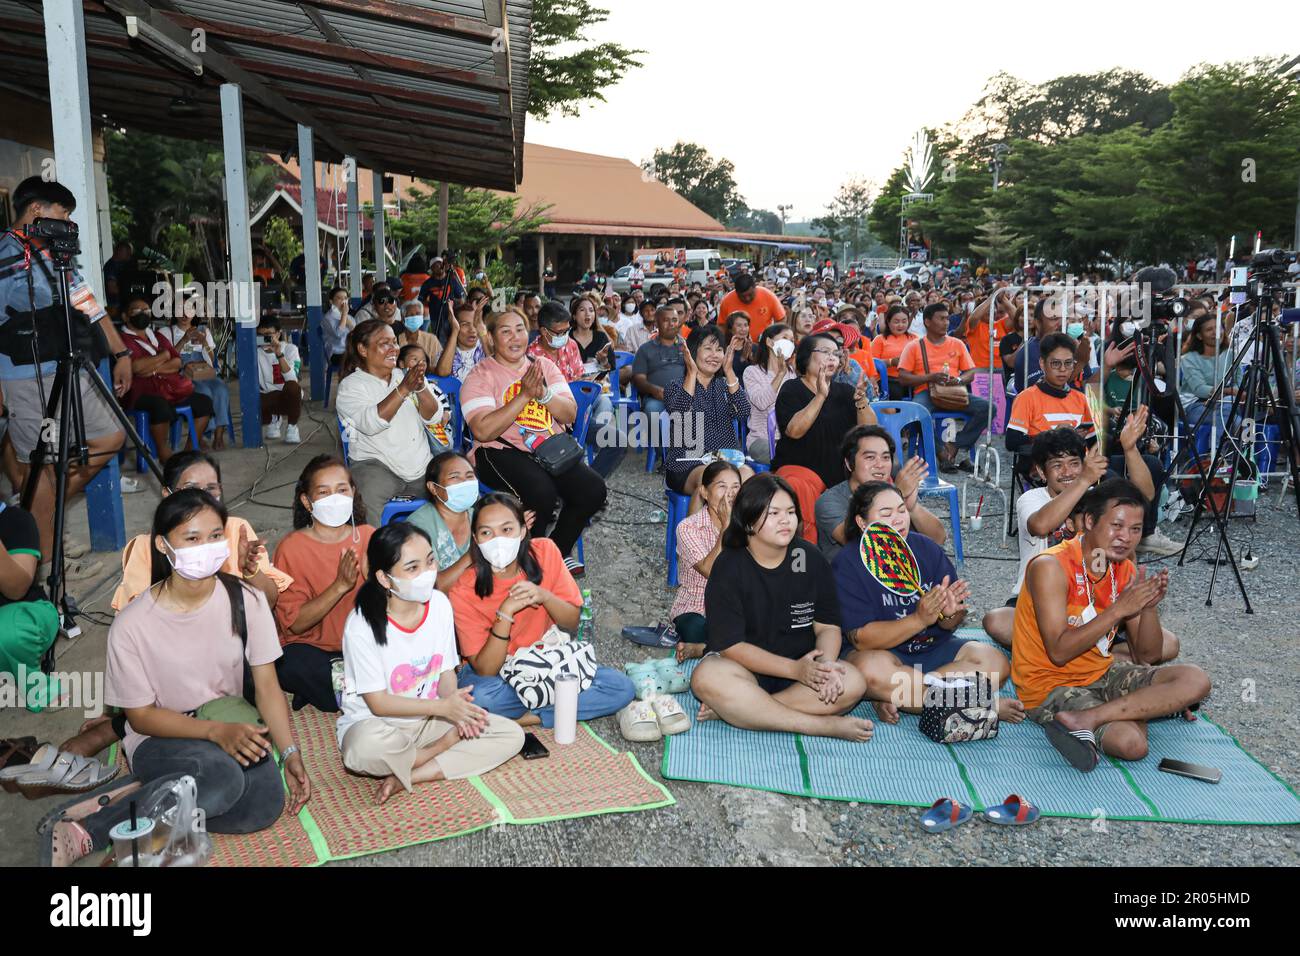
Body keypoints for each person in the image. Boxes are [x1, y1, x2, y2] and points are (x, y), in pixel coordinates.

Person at [61, 490, 310, 867]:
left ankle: (149, 797)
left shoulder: (247, 600)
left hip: (226, 718)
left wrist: (290, 751)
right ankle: (102, 831)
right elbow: (140, 716)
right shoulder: (132, 624)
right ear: (163, 545)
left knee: (264, 805)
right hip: (160, 734)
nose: (206, 547)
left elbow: (267, 686)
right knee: (223, 780)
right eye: (191, 538)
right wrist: (213, 733)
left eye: (214, 536)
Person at [1013, 479, 1210, 770]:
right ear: (1090, 521)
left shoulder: (1124, 568)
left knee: (1195, 679)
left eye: (1135, 529)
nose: (1125, 538)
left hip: (1101, 671)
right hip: (1048, 685)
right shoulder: (1050, 567)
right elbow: (1058, 651)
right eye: (1116, 526)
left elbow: (1147, 657)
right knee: (1132, 745)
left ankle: (1089, 719)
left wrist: (1149, 607)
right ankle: (1139, 707)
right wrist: (1119, 610)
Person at [338, 522, 523, 805]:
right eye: (412, 568)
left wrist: (456, 707)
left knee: (511, 736)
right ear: (385, 579)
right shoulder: (360, 625)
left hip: (429, 720)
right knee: (360, 750)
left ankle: (413, 774)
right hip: (378, 725)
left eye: (430, 561)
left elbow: (445, 673)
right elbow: (378, 704)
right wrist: (445, 719)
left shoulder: (438, 605)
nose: (427, 573)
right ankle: (437, 750)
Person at [0, 178, 131, 558]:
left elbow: (88, 302)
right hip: (25, 377)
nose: (68, 221)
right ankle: (44, 563)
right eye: (64, 212)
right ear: (37, 210)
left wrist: (121, 353)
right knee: (41, 465)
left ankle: (37, 512)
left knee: (111, 435)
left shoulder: (57, 254)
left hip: (70, 368)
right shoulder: (5, 255)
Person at [688, 473, 873, 741]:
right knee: (706, 677)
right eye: (773, 513)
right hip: (746, 671)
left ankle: (745, 709)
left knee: (853, 682)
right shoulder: (729, 566)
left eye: (790, 511)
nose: (786, 520)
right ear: (749, 521)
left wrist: (828, 666)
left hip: (802, 674)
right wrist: (793, 669)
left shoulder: (809, 558)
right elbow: (732, 647)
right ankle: (817, 725)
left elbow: (827, 626)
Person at [835, 482, 1025, 724]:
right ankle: (978, 705)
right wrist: (918, 619)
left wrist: (948, 615)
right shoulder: (849, 563)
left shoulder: (925, 549)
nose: (898, 519)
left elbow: (950, 624)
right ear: (862, 523)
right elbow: (861, 639)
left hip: (932, 652)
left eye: (902, 510)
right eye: (886, 514)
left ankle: (899, 695)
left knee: (995, 664)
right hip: (882, 655)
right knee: (868, 673)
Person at [449, 493, 634, 725]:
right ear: (475, 539)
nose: (498, 540)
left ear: (523, 530)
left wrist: (545, 597)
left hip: (545, 660)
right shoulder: (463, 590)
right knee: (481, 699)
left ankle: (529, 717)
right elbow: (486, 669)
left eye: (507, 530)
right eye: (487, 533)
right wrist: (505, 614)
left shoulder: (545, 552)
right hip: (496, 674)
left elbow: (574, 621)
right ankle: (554, 705)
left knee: (620, 687)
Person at [1007, 332, 1178, 556]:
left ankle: (1146, 532)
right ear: (1042, 363)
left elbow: (1093, 441)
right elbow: (1012, 441)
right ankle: (1118, 532)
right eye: (1055, 363)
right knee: (1115, 481)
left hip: (1086, 462)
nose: (1062, 369)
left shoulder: (1079, 398)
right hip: (1049, 463)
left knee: (1151, 464)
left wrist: (1128, 443)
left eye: (1068, 364)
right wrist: (1056, 436)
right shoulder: (1027, 397)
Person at [461, 309, 606, 570]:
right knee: (541, 494)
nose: (515, 337)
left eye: (519, 330)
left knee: (593, 490)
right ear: (492, 339)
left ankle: (551, 555)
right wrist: (524, 396)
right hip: (498, 451)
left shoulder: (544, 367)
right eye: (505, 331)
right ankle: (525, 563)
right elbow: (483, 431)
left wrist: (544, 394)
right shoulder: (480, 375)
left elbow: (570, 413)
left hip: (549, 449)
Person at [112, 450, 290, 612]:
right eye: (191, 488)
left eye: (211, 488)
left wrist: (251, 571)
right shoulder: (145, 547)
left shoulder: (237, 531)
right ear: (168, 494)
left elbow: (269, 601)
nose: (203, 496)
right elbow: (135, 619)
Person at [273, 456, 375, 712]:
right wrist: (340, 586)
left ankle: (341, 688)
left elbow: (392, 609)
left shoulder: (368, 536)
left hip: (361, 644)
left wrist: (376, 581)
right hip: (313, 649)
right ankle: (350, 690)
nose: (335, 498)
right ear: (307, 502)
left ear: (353, 493)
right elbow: (295, 625)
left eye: (342, 490)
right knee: (291, 665)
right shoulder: (292, 547)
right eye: (323, 492)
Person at [772, 333, 876, 542]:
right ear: (806, 357)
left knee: (882, 471)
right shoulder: (792, 389)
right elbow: (794, 431)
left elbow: (870, 432)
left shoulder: (846, 390)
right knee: (797, 485)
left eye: (836, 354)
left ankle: (877, 546)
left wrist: (861, 401)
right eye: (825, 352)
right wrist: (820, 396)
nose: (832, 358)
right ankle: (808, 555)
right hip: (802, 469)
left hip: (842, 471)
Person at [335, 318, 439, 524]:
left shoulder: (405, 376)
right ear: (363, 350)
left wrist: (420, 388)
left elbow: (433, 417)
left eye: (394, 342)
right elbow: (371, 423)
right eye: (385, 344)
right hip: (375, 465)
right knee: (365, 499)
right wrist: (404, 389)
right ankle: (370, 552)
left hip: (420, 464)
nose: (394, 349)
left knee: (455, 486)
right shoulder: (351, 386)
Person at [814, 425, 945, 562]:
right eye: (870, 457)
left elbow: (938, 539)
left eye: (886, 457)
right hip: (852, 577)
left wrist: (912, 508)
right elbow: (857, 543)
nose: (880, 464)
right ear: (849, 463)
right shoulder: (829, 501)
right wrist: (897, 493)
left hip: (895, 573)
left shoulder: (894, 492)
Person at [663, 324, 753, 502]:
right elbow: (679, 413)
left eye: (719, 349)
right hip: (687, 463)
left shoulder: (724, 385)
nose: (714, 355)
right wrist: (691, 373)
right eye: (708, 349)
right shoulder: (675, 386)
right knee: (716, 479)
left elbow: (743, 411)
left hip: (727, 461)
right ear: (693, 351)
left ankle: (736, 529)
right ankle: (698, 530)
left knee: (748, 475)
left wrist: (728, 370)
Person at [896, 302, 988, 472]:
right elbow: (902, 378)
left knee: (988, 408)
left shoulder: (957, 343)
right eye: (941, 318)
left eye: (947, 318)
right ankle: (941, 453)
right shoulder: (914, 346)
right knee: (917, 413)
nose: (946, 322)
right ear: (927, 322)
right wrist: (930, 377)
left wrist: (959, 380)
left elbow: (971, 372)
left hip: (954, 391)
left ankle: (954, 446)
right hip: (926, 391)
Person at [120, 297, 214, 462]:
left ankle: (188, 453)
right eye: (137, 311)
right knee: (159, 406)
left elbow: (177, 362)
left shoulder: (156, 336)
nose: (143, 314)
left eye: (147, 311)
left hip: (169, 388)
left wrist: (152, 369)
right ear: (125, 317)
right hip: (139, 392)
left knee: (204, 402)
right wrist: (163, 355)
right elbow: (135, 368)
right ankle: (165, 455)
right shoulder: (123, 340)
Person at [668, 461, 740, 663]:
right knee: (699, 629)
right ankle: (718, 649)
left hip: (736, 604)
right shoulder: (689, 528)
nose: (730, 494)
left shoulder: (748, 525)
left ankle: (702, 650)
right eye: (722, 486)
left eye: (736, 487)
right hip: (696, 605)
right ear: (705, 493)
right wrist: (726, 528)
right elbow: (709, 570)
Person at [0, 498, 61, 712]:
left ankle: (36, 685)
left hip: (26, 615)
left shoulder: (14, 520)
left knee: (9, 630)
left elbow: (16, 588)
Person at [407, 451, 478, 592]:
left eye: (469, 476)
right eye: (455, 477)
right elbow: (431, 588)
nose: (465, 482)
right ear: (433, 488)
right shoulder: (417, 528)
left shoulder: (481, 517)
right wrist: (474, 553)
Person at [161, 313, 229, 450]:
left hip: (203, 370)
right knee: (203, 392)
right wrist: (184, 339)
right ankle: (201, 435)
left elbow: (212, 361)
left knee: (221, 389)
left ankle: (219, 434)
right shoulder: (167, 332)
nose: (185, 314)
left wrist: (204, 343)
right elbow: (167, 360)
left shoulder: (204, 331)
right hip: (182, 374)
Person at [742, 323, 795, 463]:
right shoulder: (752, 372)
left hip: (787, 440)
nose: (789, 342)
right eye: (785, 337)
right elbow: (761, 402)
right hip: (761, 440)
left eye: (792, 340)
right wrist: (780, 374)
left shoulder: (792, 374)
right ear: (770, 342)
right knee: (786, 457)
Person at [1179, 310, 1236, 438]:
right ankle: (1216, 453)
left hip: (1225, 405)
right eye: (1209, 329)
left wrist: (1229, 393)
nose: (1216, 333)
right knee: (1233, 419)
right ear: (1199, 336)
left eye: (1218, 328)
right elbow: (1200, 389)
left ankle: (1218, 455)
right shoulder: (1189, 358)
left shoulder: (1231, 355)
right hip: (1196, 405)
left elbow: (1239, 385)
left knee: (1234, 417)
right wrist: (1229, 391)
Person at [631, 305, 687, 420]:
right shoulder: (645, 349)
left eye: (675, 320)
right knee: (652, 410)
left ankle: (687, 438)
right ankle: (659, 439)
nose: (671, 324)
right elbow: (638, 379)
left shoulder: (686, 347)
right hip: (656, 399)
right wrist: (655, 390)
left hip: (685, 396)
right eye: (666, 320)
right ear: (656, 323)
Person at [397, 344, 454, 455]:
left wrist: (447, 414)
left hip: (435, 429)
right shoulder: (397, 386)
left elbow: (444, 404)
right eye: (414, 359)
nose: (420, 363)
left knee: (443, 448)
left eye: (423, 361)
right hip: (411, 436)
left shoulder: (431, 387)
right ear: (401, 364)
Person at [255, 313, 302, 445]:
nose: (265, 338)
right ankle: (273, 419)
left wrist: (279, 354)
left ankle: (292, 426)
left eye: (268, 334)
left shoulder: (290, 349)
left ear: (278, 334)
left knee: (293, 388)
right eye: (261, 335)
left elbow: (292, 379)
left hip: (287, 395)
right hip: (267, 394)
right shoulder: (255, 353)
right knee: (252, 404)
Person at [720, 273, 786, 342]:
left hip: (763, 345)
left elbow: (781, 318)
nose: (747, 298)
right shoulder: (727, 301)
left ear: (755, 287)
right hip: (737, 346)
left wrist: (774, 336)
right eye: (743, 296)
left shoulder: (769, 296)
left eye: (750, 295)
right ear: (736, 292)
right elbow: (721, 325)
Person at [433, 303, 489, 382]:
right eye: (465, 324)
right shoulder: (445, 354)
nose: (472, 330)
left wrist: (483, 334)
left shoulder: (486, 347)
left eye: (475, 324)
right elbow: (442, 372)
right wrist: (455, 330)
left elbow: (498, 365)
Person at [870, 305, 917, 399]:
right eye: (896, 322)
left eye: (904, 321)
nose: (900, 325)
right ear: (888, 322)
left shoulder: (914, 338)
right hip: (888, 380)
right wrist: (890, 362)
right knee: (895, 393)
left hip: (912, 379)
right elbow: (872, 363)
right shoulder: (880, 339)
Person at [418, 257, 465, 344]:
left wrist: (452, 304)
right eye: (436, 265)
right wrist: (432, 304)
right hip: (436, 318)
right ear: (431, 268)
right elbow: (421, 300)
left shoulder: (451, 280)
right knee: (439, 343)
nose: (439, 266)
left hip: (451, 318)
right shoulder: (427, 283)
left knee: (453, 341)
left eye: (440, 264)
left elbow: (461, 299)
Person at [397, 301, 443, 368]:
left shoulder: (431, 339)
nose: (414, 317)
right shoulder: (396, 340)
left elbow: (440, 364)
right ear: (403, 318)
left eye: (418, 314)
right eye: (410, 315)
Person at [321, 286, 354, 368]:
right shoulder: (328, 318)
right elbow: (338, 334)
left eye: (345, 298)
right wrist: (344, 314)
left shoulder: (347, 315)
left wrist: (345, 315)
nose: (343, 301)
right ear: (331, 301)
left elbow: (356, 331)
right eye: (339, 298)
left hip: (349, 350)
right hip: (336, 353)